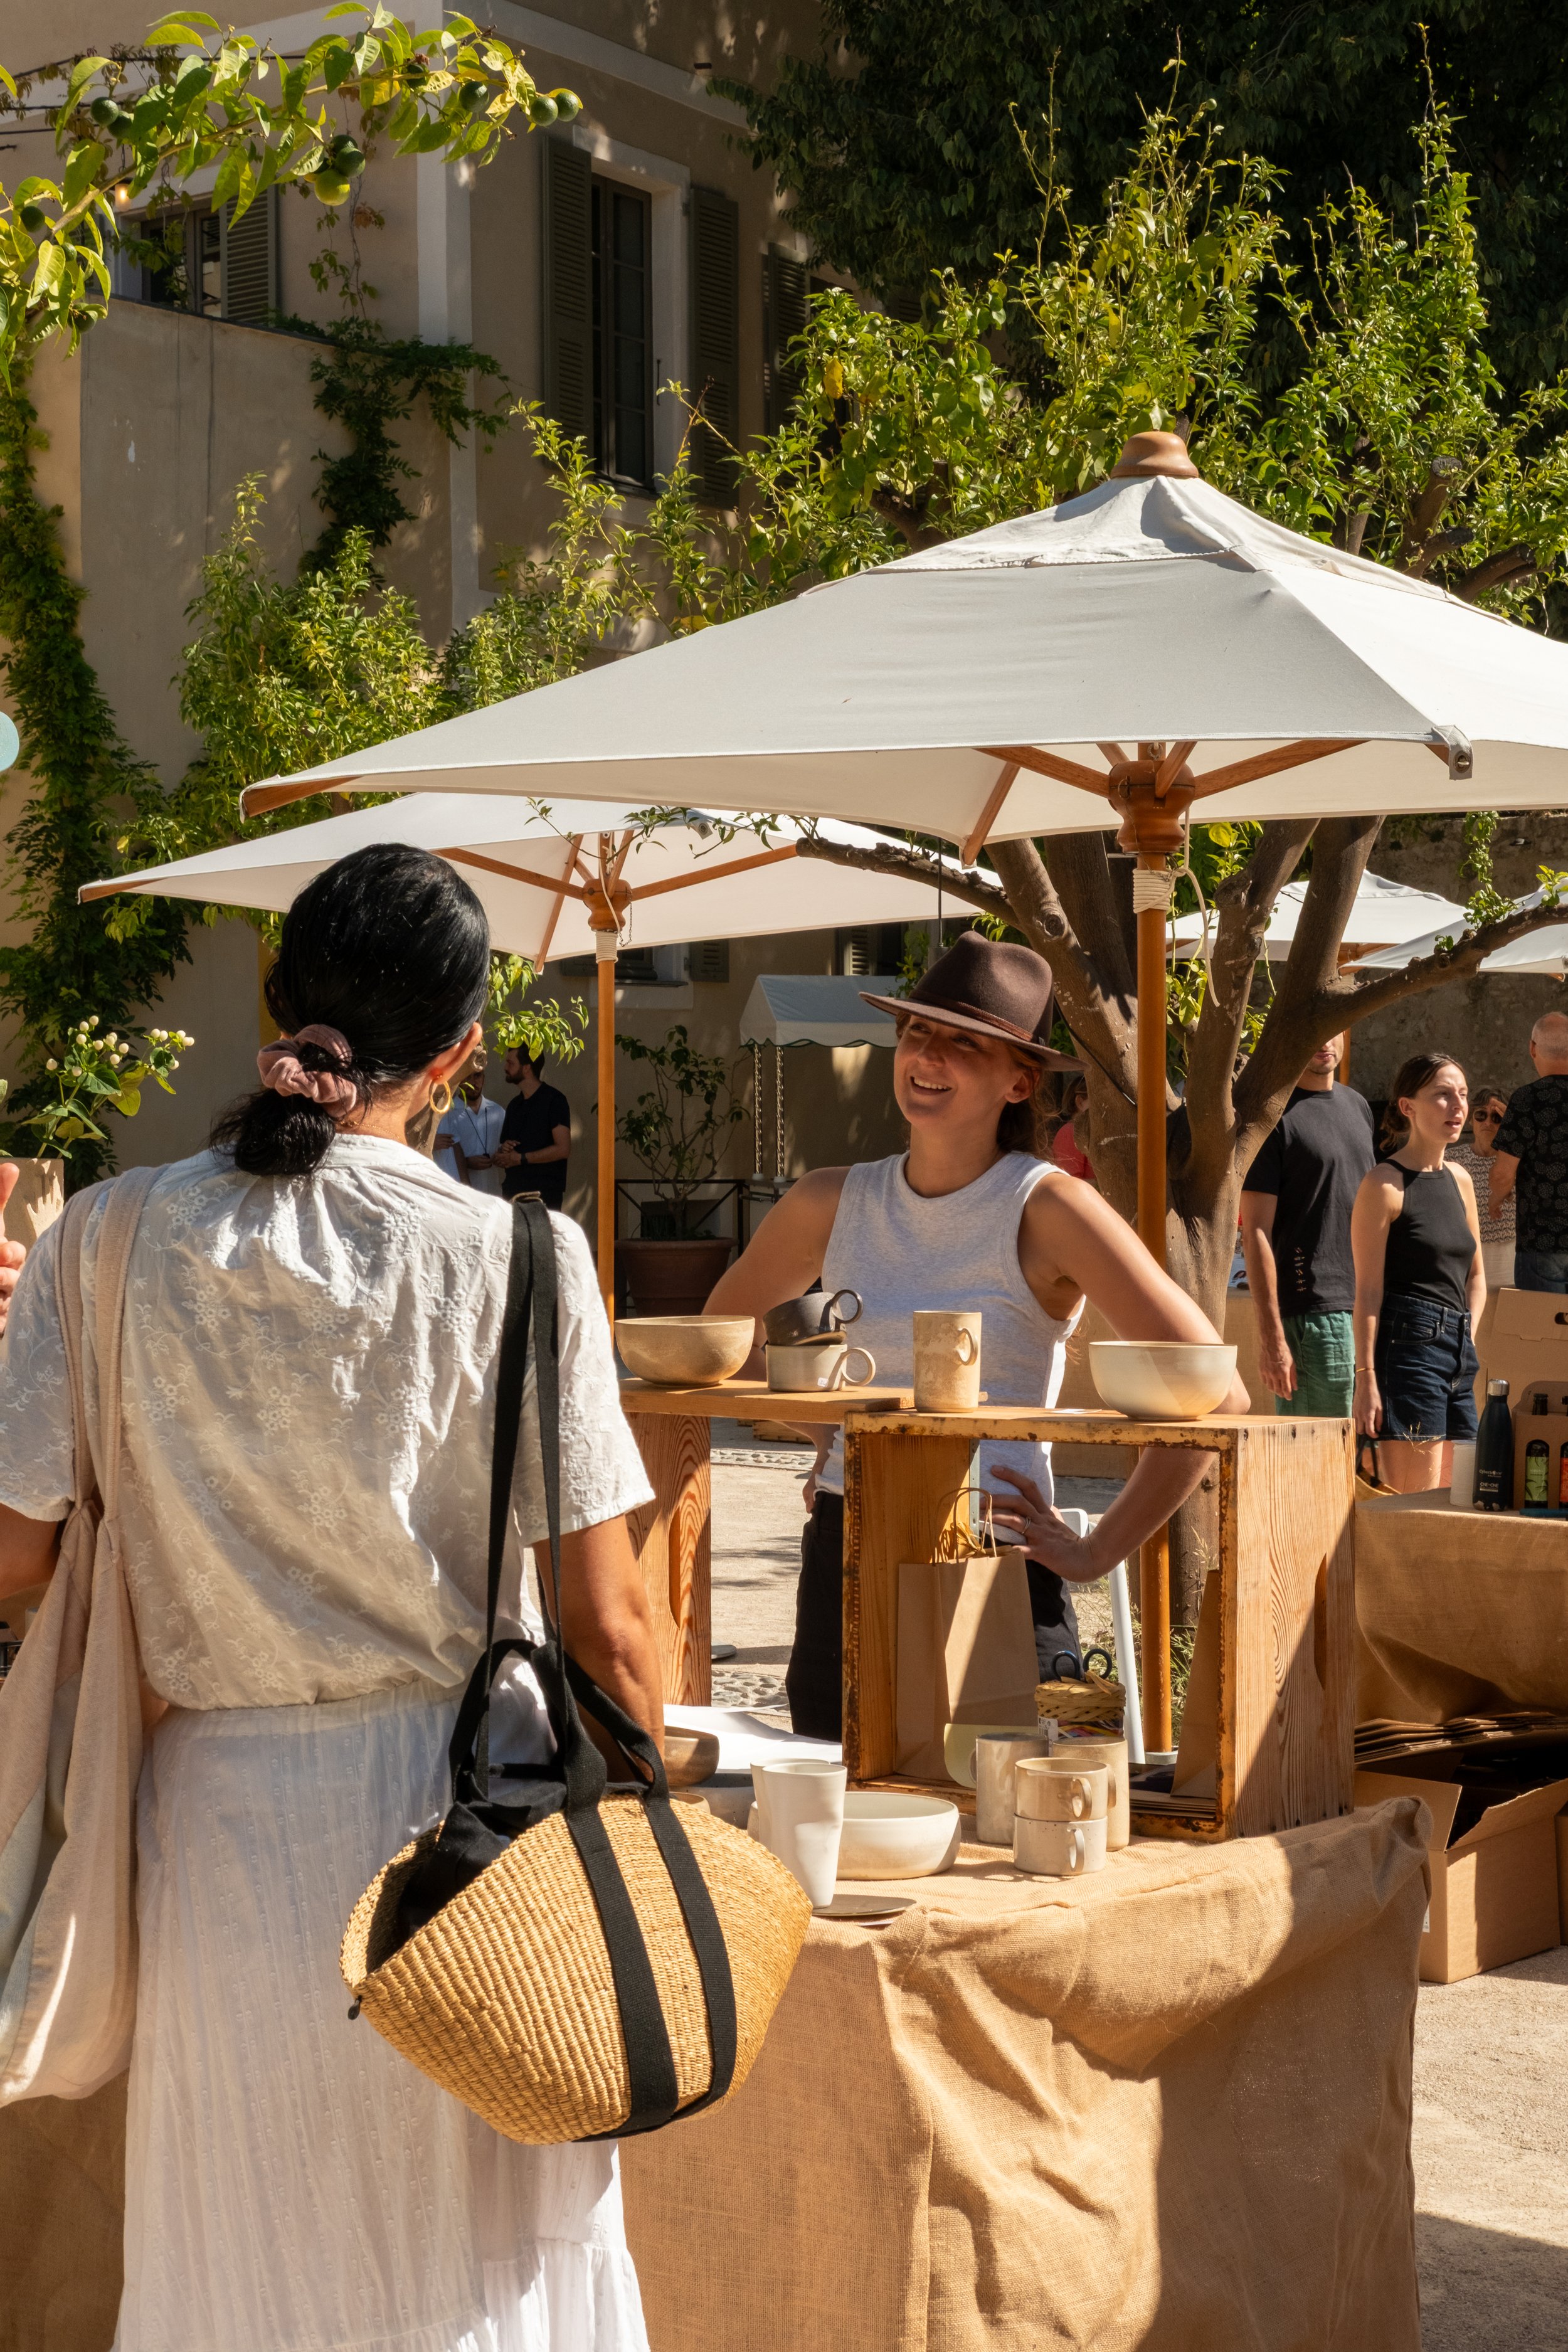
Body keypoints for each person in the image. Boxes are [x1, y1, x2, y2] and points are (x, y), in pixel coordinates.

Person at [0, 845, 661, 2352]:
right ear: (461, 1055)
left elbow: (13, 1554)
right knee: (465, 2261)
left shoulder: (100, 1238)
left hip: (220, 1823)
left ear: (279, 1002)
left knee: (245, 2249)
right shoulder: (526, 1256)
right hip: (467, 1828)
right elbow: (612, 1626)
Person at [702, 932, 1249, 1740]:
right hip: (844, 1549)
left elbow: (1220, 1396)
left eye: (964, 1042)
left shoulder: (1049, 1207)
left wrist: (1100, 1552)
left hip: (996, 1561)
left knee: (1000, 1839)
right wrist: (836, 1424)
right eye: (918, 1031)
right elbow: (720, 1337)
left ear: (1019, 1080)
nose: (929, 1055)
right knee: (832, 1816)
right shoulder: (829, 1199)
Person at [1351, 1051, 1483, 1493]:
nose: (1458, 1106)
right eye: (1442, 1095)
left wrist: (1469, 1336)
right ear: (1407, 1106)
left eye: (1463, 1095)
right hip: (1408, 1352)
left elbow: (1476, 1276)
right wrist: (1365, 1378)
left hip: (1460, 1353)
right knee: (1415, 1502)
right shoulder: (1384, 1185)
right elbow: (1368, 1291)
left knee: (1464, 1494)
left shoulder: (1461, 1179)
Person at [1239, 1034, 1375, 1419]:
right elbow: (1256, 1234)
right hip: (1312, 1314)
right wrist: (1272, 1339)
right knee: (1314, 1461)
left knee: (1357, 1464)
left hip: (1367, 1308)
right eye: (1317, 1028)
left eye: (1336, 1028)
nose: (1325, 1039)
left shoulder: (1358, 1105)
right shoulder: (1271, 1117)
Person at [1490, 1012, 1568, 1290]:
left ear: (1532, 1048)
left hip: (1541, 1242)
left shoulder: (1526, 1100)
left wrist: (1495, 1201)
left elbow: (1502, 1174)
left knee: (1540, 1332)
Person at [1448, 1082, 1515, 1290]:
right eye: (1481, 1115)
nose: (1488, 1122)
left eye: (1497, 1118)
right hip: (1468, 1262)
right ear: (1470, 1119)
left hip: (1511, 1262)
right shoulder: (1452, 1160)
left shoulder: (1518, 1161)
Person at [496, 1046, 573, 1210]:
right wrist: (504, 1151)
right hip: (513, 1194)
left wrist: (521, 1158)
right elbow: (504, 1154)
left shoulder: (555, 1101)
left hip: (543, 1196)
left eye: (511, 1063)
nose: (505, 1067)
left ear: (526, 1068)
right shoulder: (514, 1106)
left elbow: (563, 1149)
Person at [435, 1047, 507, 1193]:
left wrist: (501, 1156)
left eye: (477, 1076)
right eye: (467, 1077)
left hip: (493, 1192)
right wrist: (467, 1162)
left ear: (484, 1078)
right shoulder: (447, 1114)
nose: (473, 1082)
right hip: (462, 1192)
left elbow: (504, 1149)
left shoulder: (498, 1112)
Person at [1048, 1073, 1095, 1183]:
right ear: (1080, 1102)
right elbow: (1069, 1183)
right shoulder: (1069, 1132)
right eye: (1097, 1101)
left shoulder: (1091, 1131)